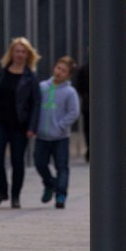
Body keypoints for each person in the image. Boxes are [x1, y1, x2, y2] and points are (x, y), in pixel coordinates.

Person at [0, 37, 42, 208]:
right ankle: (2, 191)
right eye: (17, 51)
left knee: (17, 161)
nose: (19, 54)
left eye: (23, 52)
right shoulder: (2, 73)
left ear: (28, 55)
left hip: (20, 124)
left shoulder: (30, 77)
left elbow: (35, 104)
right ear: (11, 53)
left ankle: (16, 196)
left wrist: (32, 127)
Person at [31, 56, 81, 209]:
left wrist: (61, 125)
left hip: (60, 137)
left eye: (64, 71)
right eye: (58, 68)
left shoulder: (69, 92)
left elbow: (74, 112)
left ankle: (61, 194)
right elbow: (34, 106)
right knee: (40, 163)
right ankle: (49, 183)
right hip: (42, 135)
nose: (59, 72)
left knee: (62, 167)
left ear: (68, 75)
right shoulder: (42, 87)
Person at [74, 61, 90, 162]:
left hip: (87, 103)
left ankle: (91, 148)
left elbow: (79, 87)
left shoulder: (84, 68)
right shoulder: (84, 69)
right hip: (88, 103)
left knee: (88, 128)